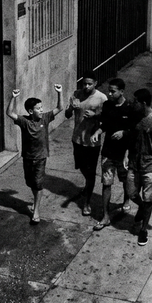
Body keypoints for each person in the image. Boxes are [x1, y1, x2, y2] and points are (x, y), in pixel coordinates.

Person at [6, 84, 63, 225]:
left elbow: (59, 108)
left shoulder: (45, 118)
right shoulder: (25, 122)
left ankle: (36, 210)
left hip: (40, 157)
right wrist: (13, 98)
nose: (41, 110)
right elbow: (9, 113)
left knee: (38, 184)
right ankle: (35, 200)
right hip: (27, 157)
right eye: (38, 108)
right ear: (31, 111)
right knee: (30, 182)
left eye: (41, 108)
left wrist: (59, 93)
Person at [90, 78, 138, 231]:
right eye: (108, 91)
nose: (109, 94)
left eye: (113, 91)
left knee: (125, 181)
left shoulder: (130, 108)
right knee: (106, 183)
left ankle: (125, 201)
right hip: (108, 152)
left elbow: (136, 130)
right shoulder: (107, 105)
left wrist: (123, 133)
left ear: (122, 91)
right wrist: (97, 132)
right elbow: (103, 124)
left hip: (124, 153)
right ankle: (105, 216)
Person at [126, 88, 152, 247]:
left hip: (150, 164)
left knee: (148, 197)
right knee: (131, 192)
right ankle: (142, 208)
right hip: (134, 163)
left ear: (143, 103)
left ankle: (143, 229)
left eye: (135, 101)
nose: (133, 103)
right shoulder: (135, 117)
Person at [66, 71, 108, 216]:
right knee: (81, 167)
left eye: (90, 84)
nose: (87, 86)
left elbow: (108, 119)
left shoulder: (102, 98)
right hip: (77, 139)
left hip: (92, 142)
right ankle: (88, 185)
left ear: (95, 83)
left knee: (90, 173)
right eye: (84, 83)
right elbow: (66, 114)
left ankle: (87, 202)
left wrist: (95, 115)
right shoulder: (77, 94)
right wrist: (71, 107)